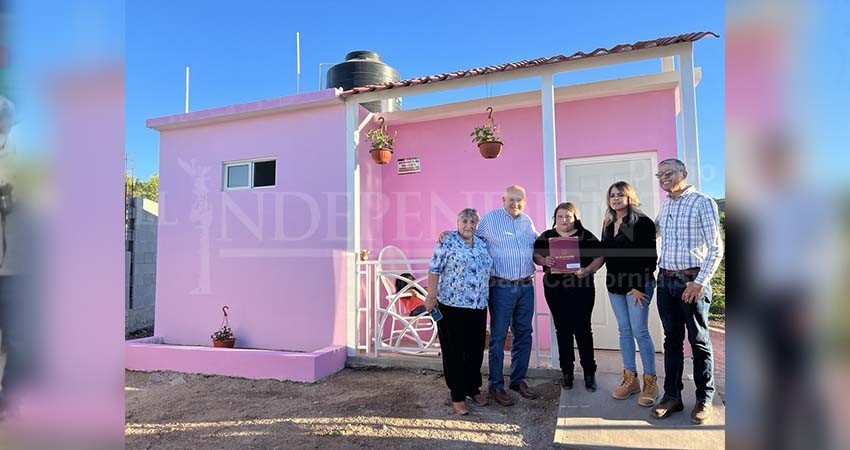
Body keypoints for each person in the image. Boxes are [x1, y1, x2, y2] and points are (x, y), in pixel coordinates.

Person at [439, 185, 540, 406]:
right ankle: (496, 385)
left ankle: (518, 380)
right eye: (511, 200)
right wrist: (449, 233)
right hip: (501, 287)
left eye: (520, 201)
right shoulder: (489, 220)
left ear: (525, 201)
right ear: (503, 199)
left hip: (525, 286)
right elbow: (468, 232)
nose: (515, 204)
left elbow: (538, 244)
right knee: (498, 337)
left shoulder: (527, 221)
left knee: (524, 333)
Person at [651, 159, 723, 425]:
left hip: (691, 282)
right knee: (671, 340)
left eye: (669, 173)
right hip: (665, 281)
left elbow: (716, 247)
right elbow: (653, 231)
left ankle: (704, 398)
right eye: (660, 174)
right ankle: (672, 397)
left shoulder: (703, 202)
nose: (664, 178)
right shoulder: (666, 204)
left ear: (684, 173)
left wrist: (700, 282)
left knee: (699, 341)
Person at [424, 208, 493, 415]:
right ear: (457, 222)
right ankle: (457, 394)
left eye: (473, 222)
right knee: (454, 351)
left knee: (475, 349)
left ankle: (473, 388)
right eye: (464, 221)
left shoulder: (482, 244)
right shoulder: (447, 240)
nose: (468, 225)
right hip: (451, 305)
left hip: (478, 305)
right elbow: (434, 269)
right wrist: (431, 296)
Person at [533, 202, 603, 391]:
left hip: (582, 289)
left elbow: (600, 256)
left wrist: (588, 270)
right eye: (560, 216)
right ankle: (567, 372)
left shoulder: (585, 235)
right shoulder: (546, 236)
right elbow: (536, 256)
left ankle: (589, 373)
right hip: (555, 291)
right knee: (562, 330)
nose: (564, 220)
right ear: (555, 218)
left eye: (568, 216)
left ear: (575, 218)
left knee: (583, 330)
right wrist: (544, 260)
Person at [600, 181, 659, 406]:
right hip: (614, 285)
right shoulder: (608, 223)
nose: (615, 199)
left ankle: (650, 382)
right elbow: (603, 254)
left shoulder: (642, 222)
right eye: (612, 195)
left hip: (638, 286)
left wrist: (638, 285)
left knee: (640, 331)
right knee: (624, 330)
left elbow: (649, 257)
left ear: (629, 197)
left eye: (620, 195)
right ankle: (630, 379)